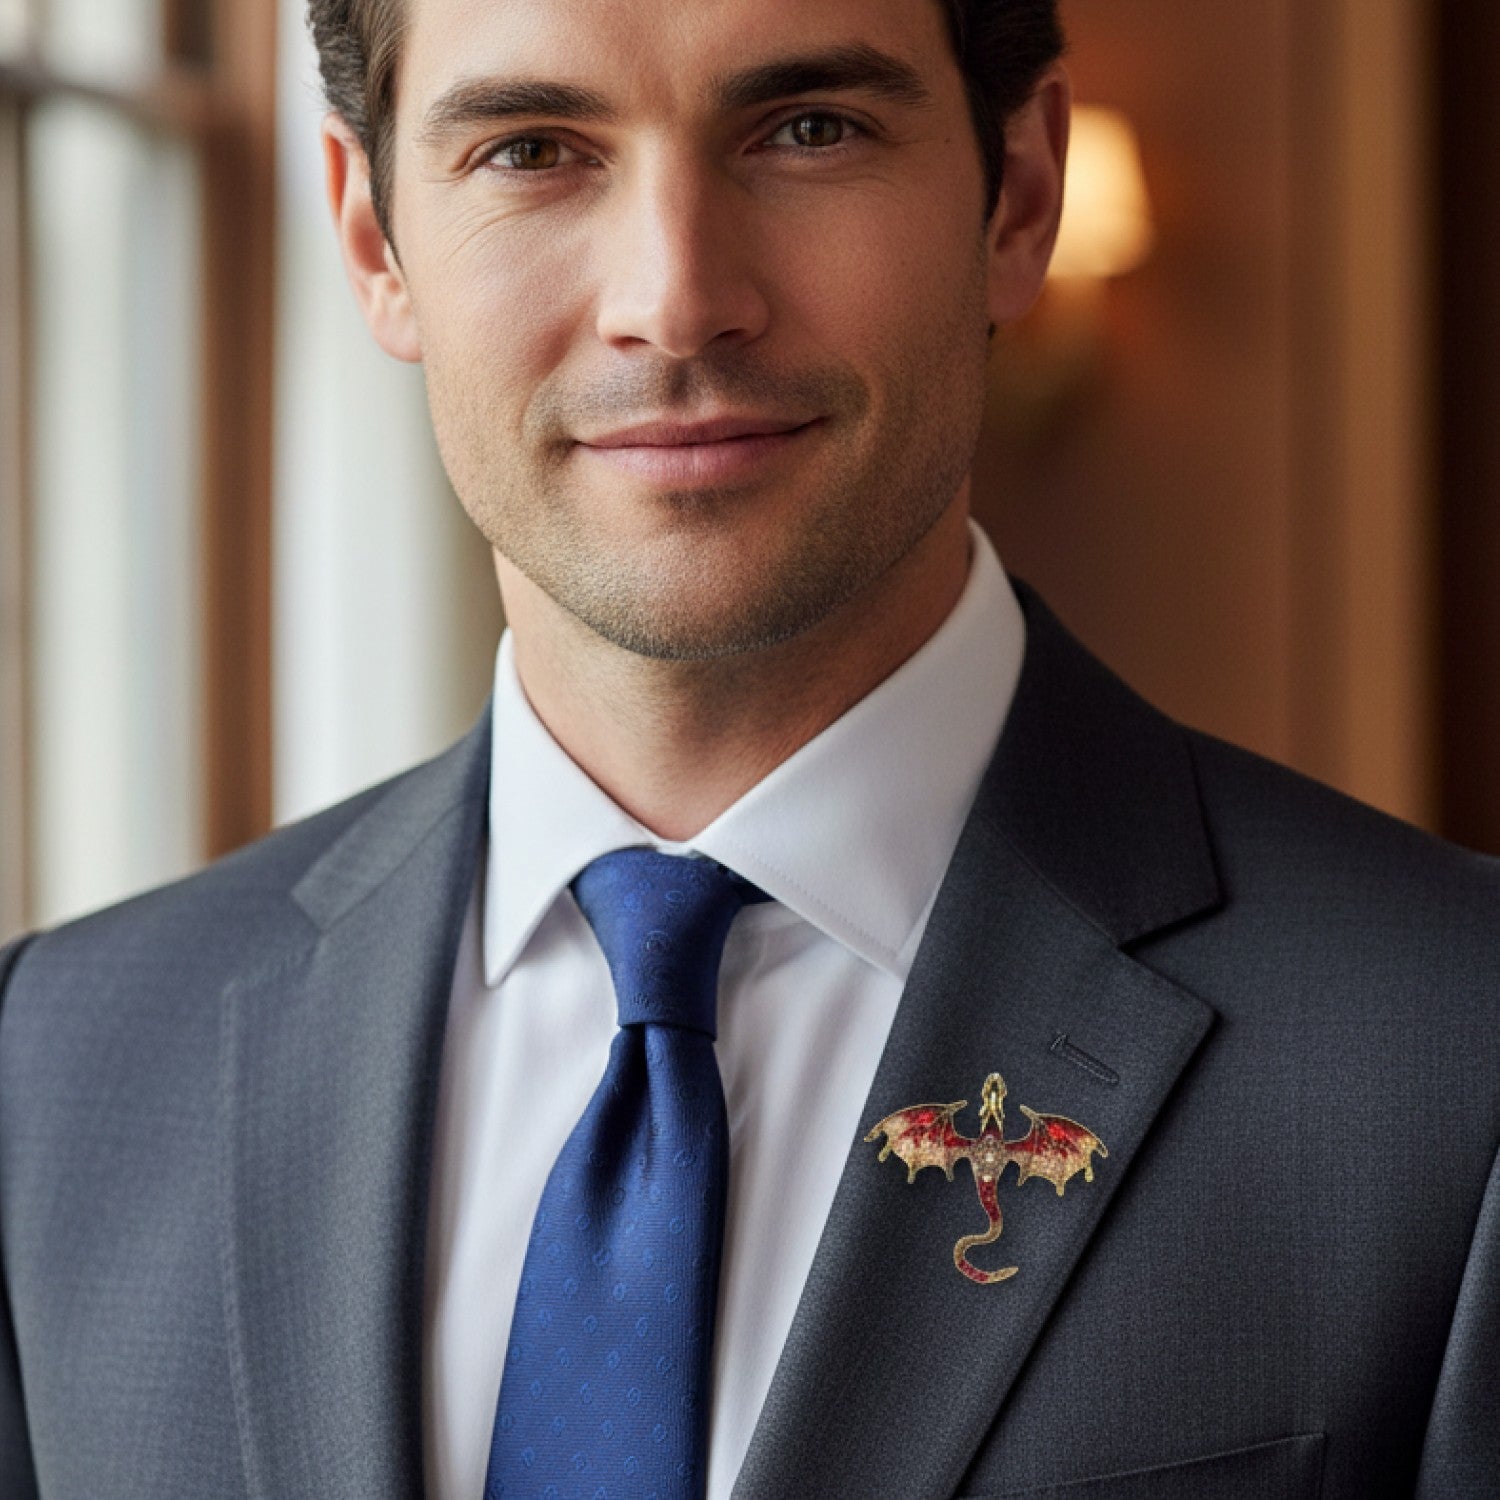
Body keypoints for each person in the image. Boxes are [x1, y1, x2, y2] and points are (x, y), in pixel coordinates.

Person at [0, 0, 1496, 1495]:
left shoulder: (1451, 1061)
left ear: (1018, 196)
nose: (675, 296)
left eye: (809, 130)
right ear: (377, 241)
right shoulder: (50, 1073)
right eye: (532, 149)